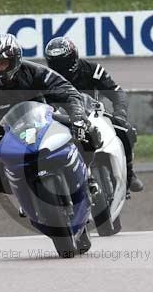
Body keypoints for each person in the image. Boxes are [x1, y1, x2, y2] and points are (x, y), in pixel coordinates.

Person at [0, 33, 88, 195]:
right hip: (8, 132)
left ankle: (89, 177)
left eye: (3, 63)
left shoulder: (34, 71)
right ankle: (25, 195)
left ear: (15, 60)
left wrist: (78, 116)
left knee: (88, 133)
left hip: (45, 121)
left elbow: (68, 91)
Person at [44, 36, 144, 192]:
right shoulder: (45, 78)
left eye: (64, 62)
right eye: (56, 63)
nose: (60, 67)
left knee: (125, 130)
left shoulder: (92, 69)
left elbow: (116, 92)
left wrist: (120, 114)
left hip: (93, 114)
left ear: (74, 57)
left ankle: (129, 173)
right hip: (62, 121)